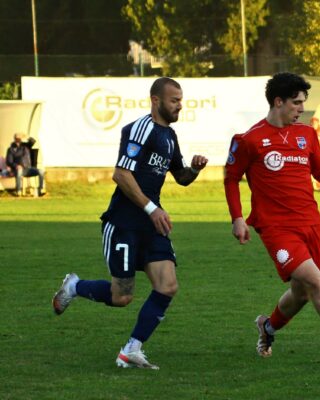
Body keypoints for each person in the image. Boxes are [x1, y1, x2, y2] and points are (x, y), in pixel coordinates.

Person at [52, 77, 209, 370]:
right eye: (174, 100)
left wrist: (195, 169)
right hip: (124, 222)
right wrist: (152, 209)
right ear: (156, 100)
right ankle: (74, 286)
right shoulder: (141, 128)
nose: (179, 105)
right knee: (121, 296)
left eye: (181, 100)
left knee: (168, 285)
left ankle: (131, 350)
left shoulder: (169, 137)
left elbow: (182, 178)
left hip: (152, 224)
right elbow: (121, 174)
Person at [224, 72, 320, 370]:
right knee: (317, 285)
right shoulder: (249, 139)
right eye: (296, 103)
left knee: (302, 292)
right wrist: (238, 218)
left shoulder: (305, 134)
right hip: (276, 228)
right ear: (278, 102)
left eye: (303, 103)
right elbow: (231, 179)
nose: (300, 109)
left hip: (310, 223)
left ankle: (268, 327)